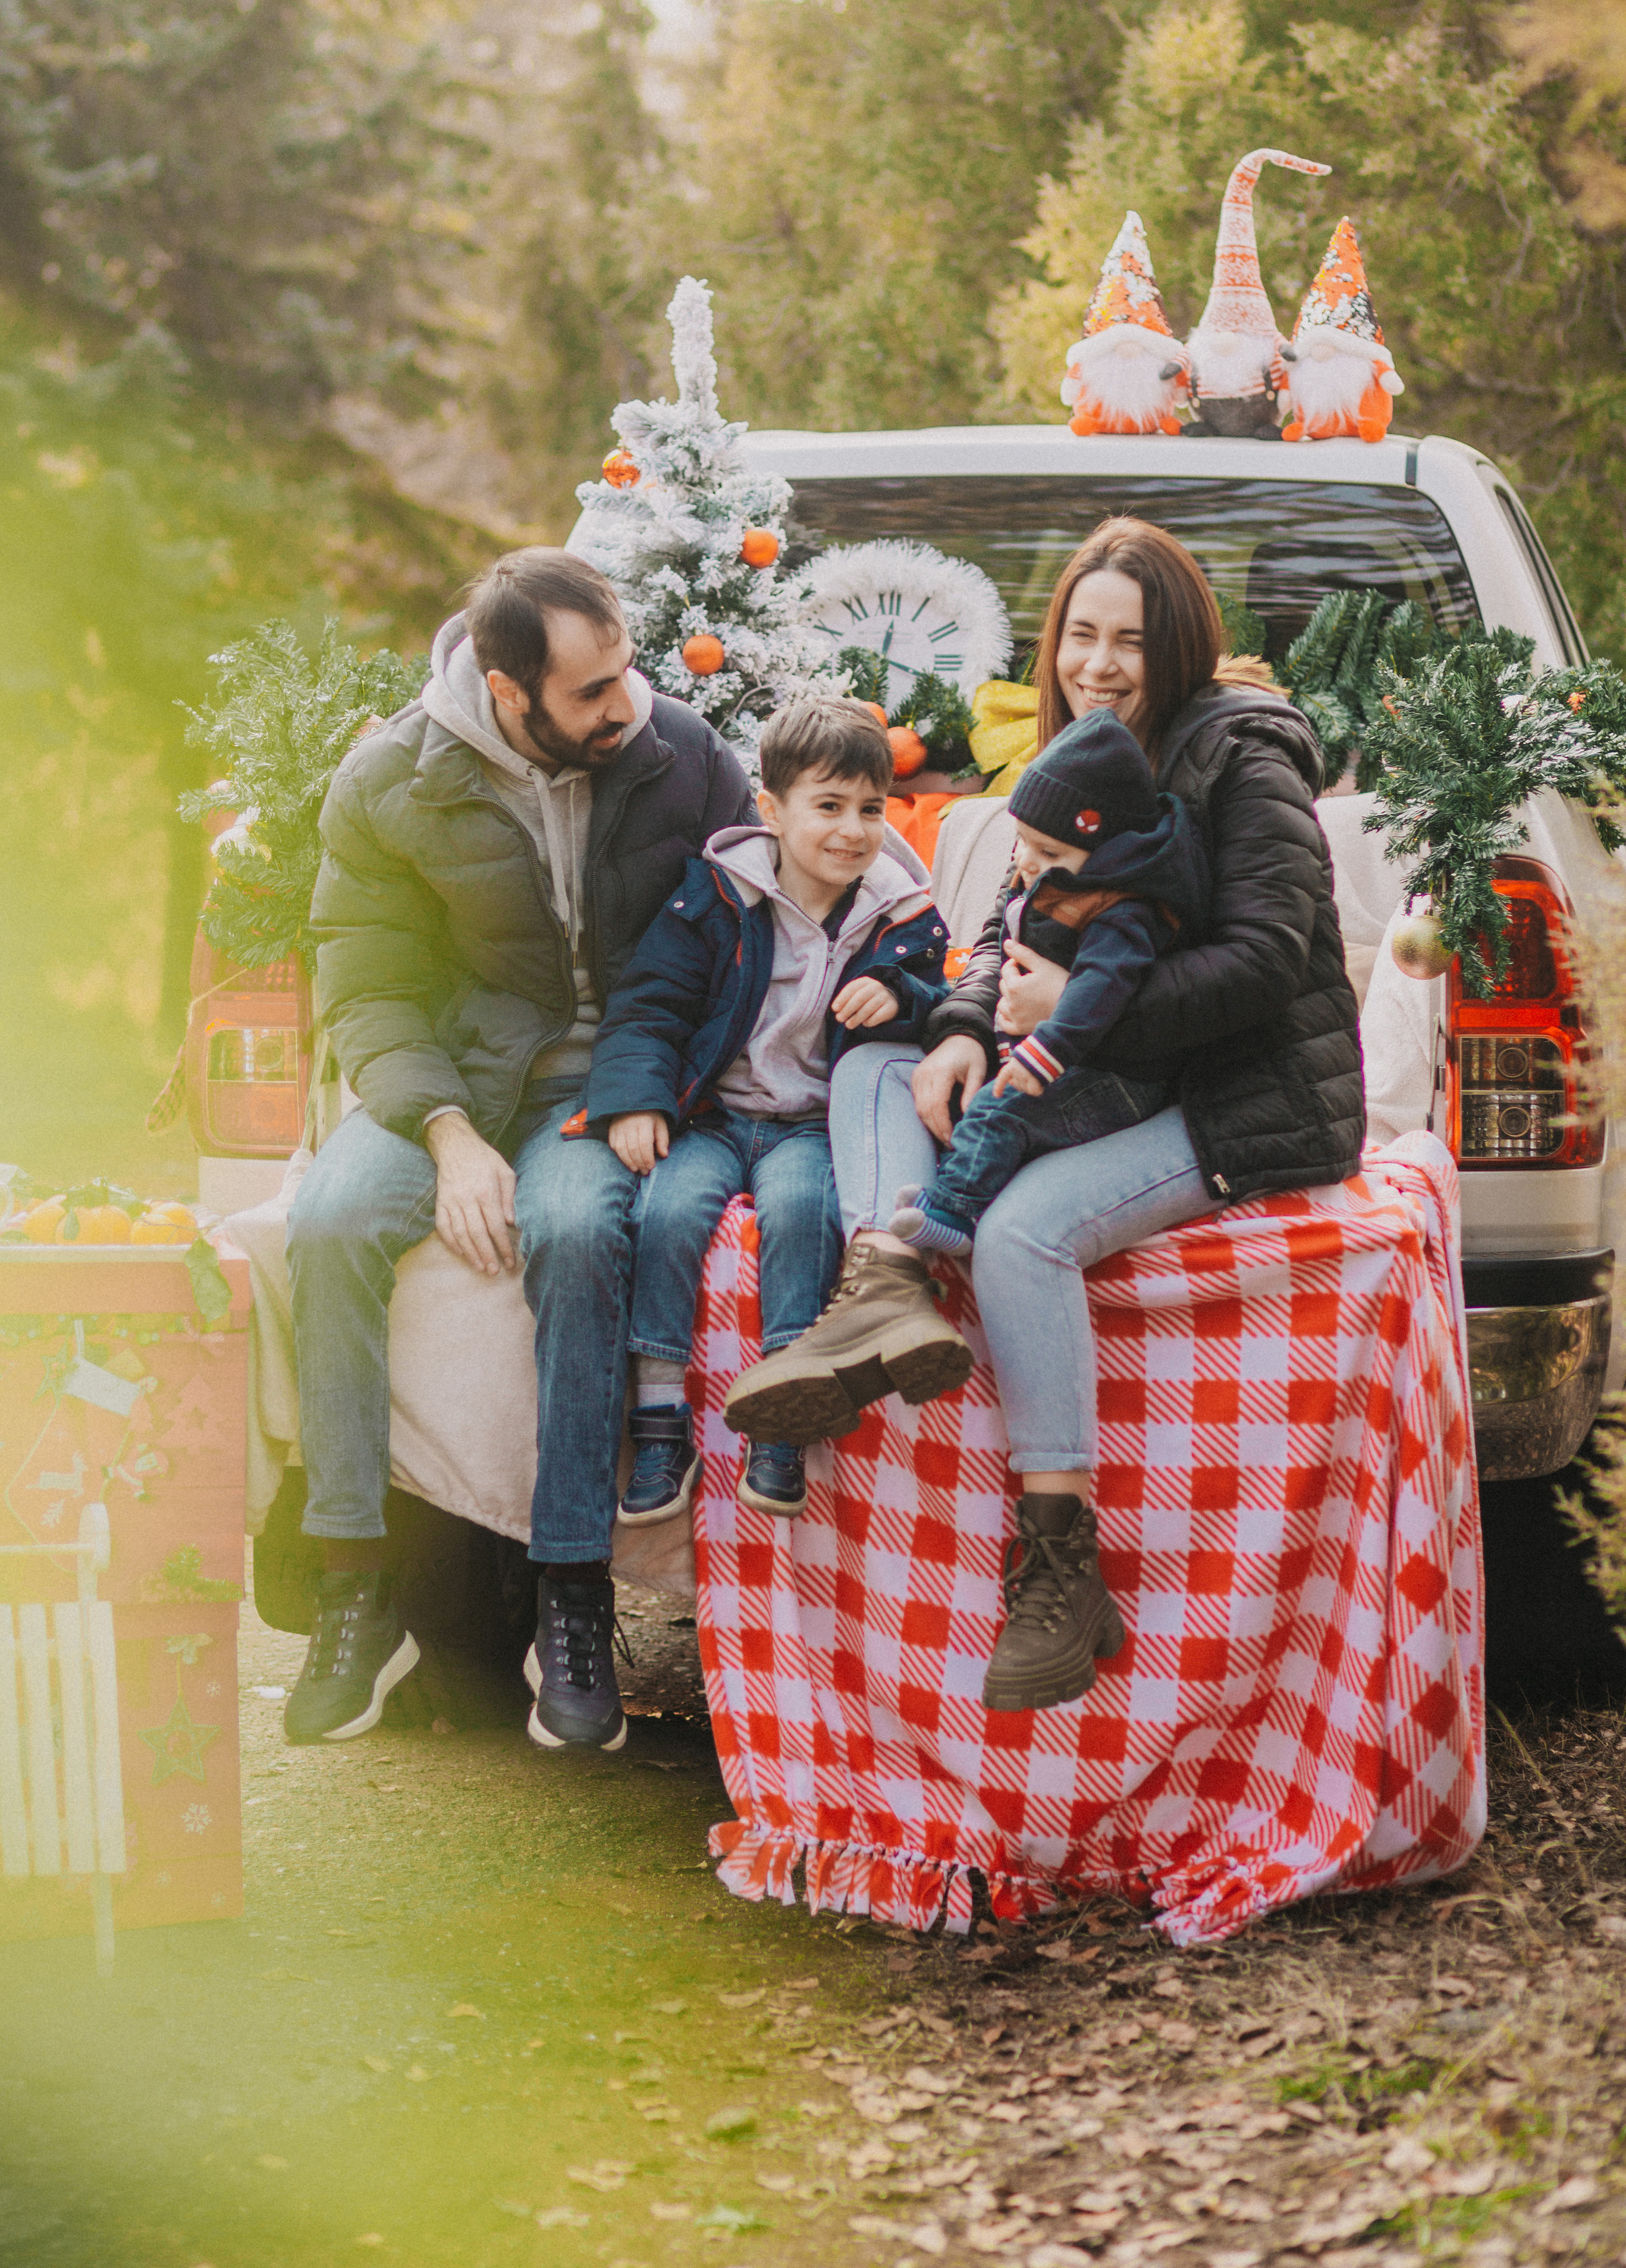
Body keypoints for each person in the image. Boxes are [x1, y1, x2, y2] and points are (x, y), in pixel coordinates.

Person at [724, 518, 1364, 1717]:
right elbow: (1003, 929)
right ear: (1055, 637)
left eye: (1130, 641)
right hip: (1096, 1065)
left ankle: (1064, 1562)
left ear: (1179, 648)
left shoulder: (1243, 751)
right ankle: (883, 1288)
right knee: (877, 1061)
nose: (1102, 663)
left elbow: (1270, 960)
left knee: (1022, 1229)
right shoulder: (1080, 756)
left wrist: (1075, 1009)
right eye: (1082, 635)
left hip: (1241, 1095)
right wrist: (967, 1027)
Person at [283, 550, 754, 1754]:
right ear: (506, 689)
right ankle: (353, 1582)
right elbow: (368, 986)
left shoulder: (682, 754)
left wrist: (671, 1088)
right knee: (331, 1223)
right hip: (447, 1087)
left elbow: (752, 930)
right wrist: (445, 1137)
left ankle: (572, 1594)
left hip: (607, 1089)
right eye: (591, 690)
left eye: (627, 668)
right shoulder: (390, 778)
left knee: (580, 1228)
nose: (626, 702)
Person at [576, 696, 950, 1524]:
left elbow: (945, 1002)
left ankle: (786, 1410)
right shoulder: (717, 895)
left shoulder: (898, 911)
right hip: (715, 1113)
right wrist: (638, 1100)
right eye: (828, 807)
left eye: (870, 808)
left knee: (804, 1213)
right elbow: (651, 1005)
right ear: (771, 809)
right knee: (668, 1210)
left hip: (810, 1124)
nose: (852, 830)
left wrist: (899, 993)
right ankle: (662, 1415)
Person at [884, 709, 1207, 1257]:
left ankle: (952, 1215)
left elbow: (1098, 990)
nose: (1027, 863)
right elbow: (999, 937)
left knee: (999, 1109)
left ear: (1105, 850)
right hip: (1061, 1057)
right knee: (984, 1102)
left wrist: (1047, 1051)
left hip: (1116, 1076)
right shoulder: (1058, 878)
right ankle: (954, 1187)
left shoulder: (1119, 910)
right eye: (1023, 842)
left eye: (1050, 852)